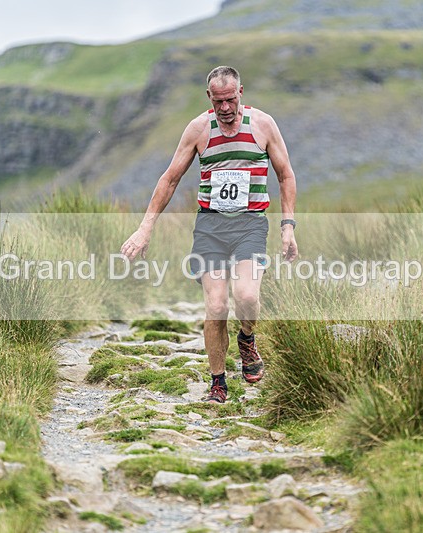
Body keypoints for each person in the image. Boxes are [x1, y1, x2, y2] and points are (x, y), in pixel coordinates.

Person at [120, 65, 298, 403]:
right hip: (210, 228)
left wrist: (287, 227)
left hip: (250, 225)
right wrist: (145, 228)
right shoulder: (198, 129)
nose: (225, 108)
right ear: (209, 98)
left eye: (231, 100)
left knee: (246, 297)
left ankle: (247, 339)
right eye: (218, 102)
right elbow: (170, 179)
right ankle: (218, 383)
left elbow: (286, 175)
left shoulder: (263, 125)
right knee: (216, 306)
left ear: (240, 93)